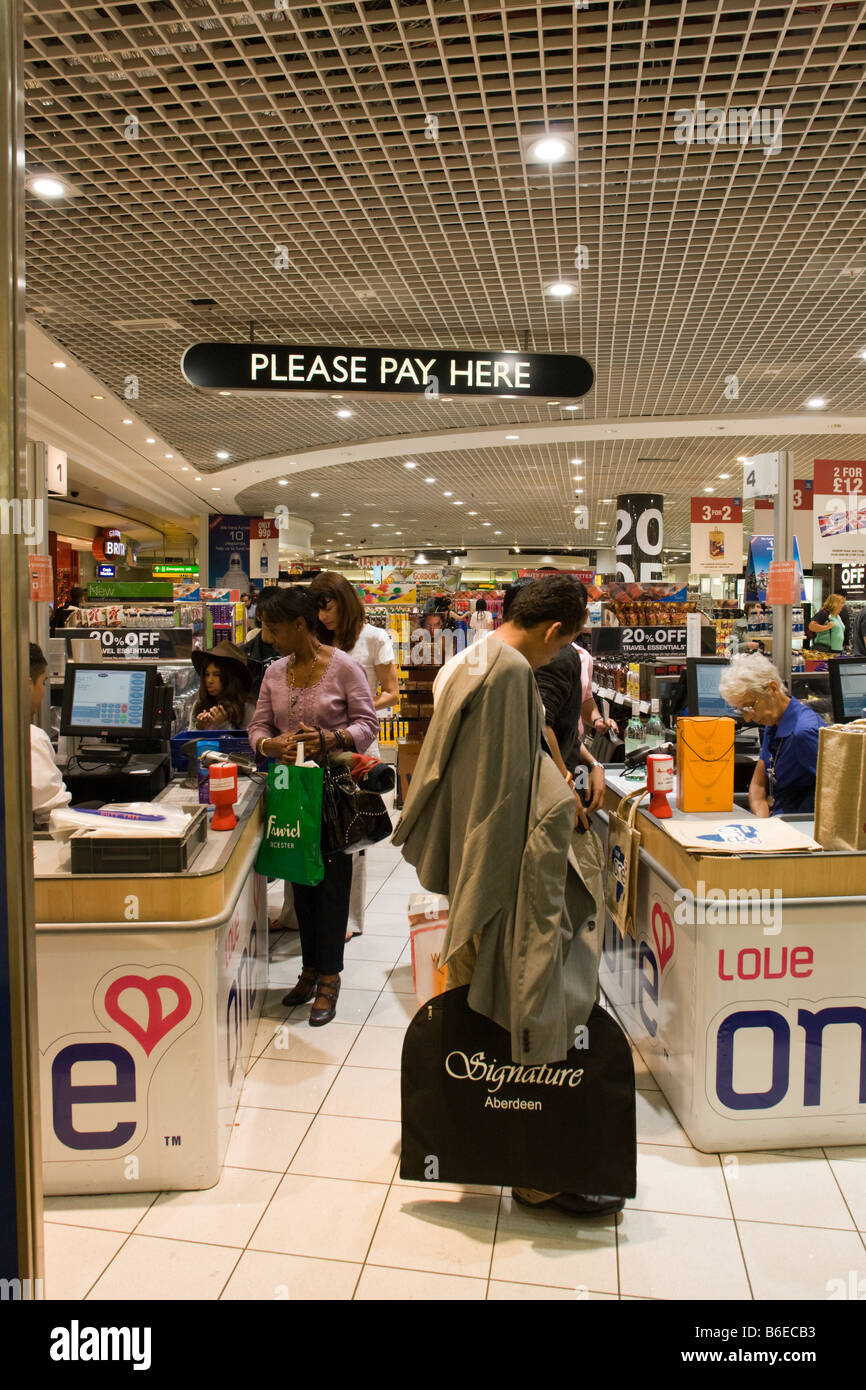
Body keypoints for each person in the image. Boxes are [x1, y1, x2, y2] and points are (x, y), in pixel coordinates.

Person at [396, 575, 621, 1216]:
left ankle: (481, 1144)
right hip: (497, 883)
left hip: (469, 869)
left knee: (474, 1005)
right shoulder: (513, 675)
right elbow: (507, 797)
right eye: (566, 645)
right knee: (514, 1009)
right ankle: (530, 1173)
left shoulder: (470, 659)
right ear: (554, 632)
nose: (559, 657)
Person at [248, 586, 378, 1025]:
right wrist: (271, 745)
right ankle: (307, 968)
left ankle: (330, 977)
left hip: (333, 791)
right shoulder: (273, 673)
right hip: (290, 788)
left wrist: (330, 738)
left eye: (273, 626)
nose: (266, 635)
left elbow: (367, 725)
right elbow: (258, 726)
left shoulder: (344, 668)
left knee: (331, 883)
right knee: (298, 879)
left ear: (300, 625)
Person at [308, 570, 400, 940]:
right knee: (310, 830)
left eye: (328, 608)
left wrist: (356, 712)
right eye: (318, 611)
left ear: (344, 603)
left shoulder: (375, 638)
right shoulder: (314, 640)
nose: (324, 617)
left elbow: (392, 692)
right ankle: (297, 912)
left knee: (351, 833)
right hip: (317, 747)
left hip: (357, 748)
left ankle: (347, 919)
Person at [718, 652, 825, 817]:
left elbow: (839, 792)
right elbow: (758, 786)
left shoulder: (803, 733)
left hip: (799, 826)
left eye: (750, 706)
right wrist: (764, 823)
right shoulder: (773, 722)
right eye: (741, 710)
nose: (747, 718)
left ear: (773, 689)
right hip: (775, 822)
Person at [29, 643, 71, 824]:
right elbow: (55, 816)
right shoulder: (29, 739)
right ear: (28, 685)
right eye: (43, 682)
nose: (43, 691)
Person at [191, 641, 255, 729]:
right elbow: (188, 740)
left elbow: (247, 740)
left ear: (230, 678)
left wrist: (222, 724)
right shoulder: (199, 705)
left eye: (217, 675)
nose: (209, 680)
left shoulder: (246, 707)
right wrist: (199, 727)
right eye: (207, 674)